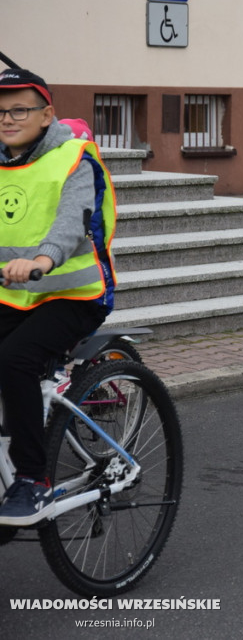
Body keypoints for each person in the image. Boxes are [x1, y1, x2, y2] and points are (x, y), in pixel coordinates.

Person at [0, 69, 117, 526]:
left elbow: (72, 222)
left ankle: (34, 479)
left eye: (19, 110)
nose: (7, 119)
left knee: (14, 360)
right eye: (0, 112)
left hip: (74, 293)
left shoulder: (73, 158)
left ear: (47, 114)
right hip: (13, 295)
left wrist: (43, 261)